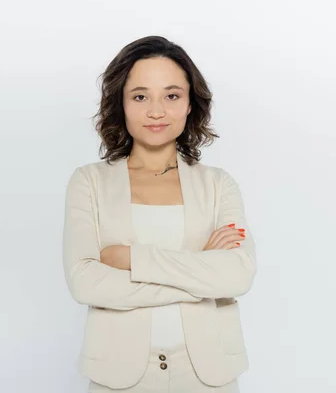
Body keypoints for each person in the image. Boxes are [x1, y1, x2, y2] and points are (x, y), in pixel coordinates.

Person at [62, 35, 257, 393]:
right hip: (117, 375)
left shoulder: (218, 185)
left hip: (209, 374)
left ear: (189, 104)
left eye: (171, 95)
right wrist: (199, 275)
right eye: (140, 96)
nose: (156, 111)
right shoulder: (89, 182)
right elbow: (85, 282)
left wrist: (132, 259)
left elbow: (237, 276)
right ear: (120, 103)